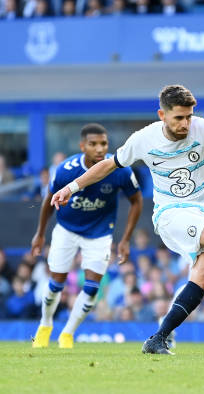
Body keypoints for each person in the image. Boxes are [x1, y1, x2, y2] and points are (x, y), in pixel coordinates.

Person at [50, 85, 204, 355]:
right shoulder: (144, 138)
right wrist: (71, 188)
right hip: (170, 212)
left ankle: (158, 339)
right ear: (162, 114)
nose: (186, 123)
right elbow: (107, 165)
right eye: (179, 118)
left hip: (203, 208)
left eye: (189, 116)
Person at [31, 123, 143, 349]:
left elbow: (136, 201)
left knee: (92, 288)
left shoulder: (120, 169)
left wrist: (126, 238)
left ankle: (68, 334)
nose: (99, 149)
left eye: (103, 143)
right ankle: (45, 325)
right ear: (83, 146)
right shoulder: (65, 169)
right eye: (93, 144)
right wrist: (40, 233)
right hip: (67, 230)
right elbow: (48, 202)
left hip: (100, 233)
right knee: (56, 284)